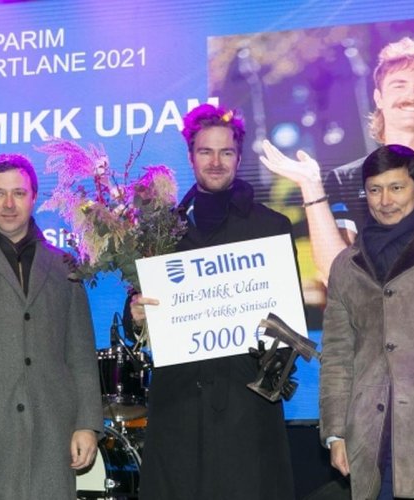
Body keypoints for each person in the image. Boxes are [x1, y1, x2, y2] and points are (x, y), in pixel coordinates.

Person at [129, 104, 296, 500]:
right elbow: (139, 309)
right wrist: (137, 315)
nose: (216, 162)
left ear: (239, 157)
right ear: (190, 156)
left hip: (246, 411)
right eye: (206, 151)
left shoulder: (270, 227)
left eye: (226, 152)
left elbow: (288, 328)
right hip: (178, 410)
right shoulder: (161, 230)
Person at [0, 154, 103, 499]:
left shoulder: (65, 265)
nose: (9, 204)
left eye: (19, 193)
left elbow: (81, 354)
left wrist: (87, 424)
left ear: (34, 197)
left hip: (51, 435)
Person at [319, 144, 414, 499]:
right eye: (375, 190)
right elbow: (336, 355)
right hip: (371, 438)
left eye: (396, 188)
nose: (385, 201)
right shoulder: (346, 265)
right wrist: (336, 432)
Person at [260, 37, 414, 283]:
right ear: (379, 98)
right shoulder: (346, 180)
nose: (412, 95)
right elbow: (334, 274)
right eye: (399, 85)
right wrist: (310, 186)